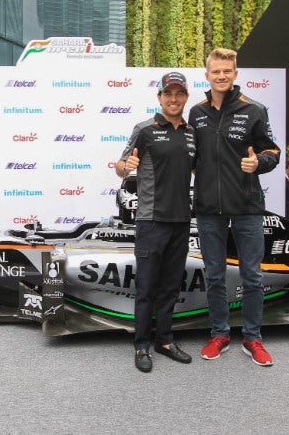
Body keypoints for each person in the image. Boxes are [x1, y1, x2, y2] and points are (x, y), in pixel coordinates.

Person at [189, 47, 280, 366]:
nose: (222, 76)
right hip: (208, 208)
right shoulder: (196, 112)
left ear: (235, 74)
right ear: (207, 75)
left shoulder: (254, 109)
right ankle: (219, 334)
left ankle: (253, 338)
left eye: (227, 71)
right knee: (214, 274)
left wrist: (260, 163)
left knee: (252, 275)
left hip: (246, 206)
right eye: (216, 71)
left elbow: (272, 151)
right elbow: (191, 156)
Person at [115, 71, 196, 372]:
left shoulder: (192, 133)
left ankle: (165, 340)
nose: (173, 99)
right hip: (150, 220)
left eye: (179, 94)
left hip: (181, 220)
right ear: (160, 97)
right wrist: (126, 166)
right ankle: (141, 346)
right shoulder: (145, 129)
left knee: (171, 286)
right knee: (147, 286)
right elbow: (120, 166)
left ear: (186, 97)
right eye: (168, 94)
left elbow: (200, 170)